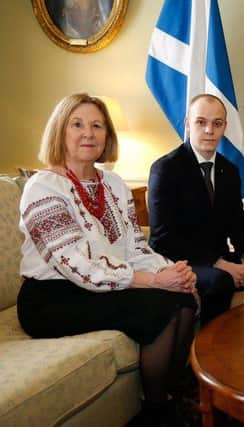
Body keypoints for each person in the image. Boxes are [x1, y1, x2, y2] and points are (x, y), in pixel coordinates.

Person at [17, 93, 197, 425]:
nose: (89, 133)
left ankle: (172, 393)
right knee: (162, 307)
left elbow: (134, 247)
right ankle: (157, 411)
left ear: (106, 136)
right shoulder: (43, 187)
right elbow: (77, 265)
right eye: (77, 124)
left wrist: (170, 271)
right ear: (60, 131)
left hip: (102, 285)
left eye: (97, 125)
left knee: (185, 299)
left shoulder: (113, 184)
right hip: (51, 297)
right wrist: (155, 282)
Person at [148, 94, 244, 324]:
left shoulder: (229, 170)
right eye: (201, 122)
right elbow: (162, 238)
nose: (209, 130)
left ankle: (240, 328)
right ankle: (207, 349)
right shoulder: (165, 169)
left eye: (217, 123)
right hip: (178, 261)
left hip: (219, 258)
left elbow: (239, 225)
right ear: (187, 123)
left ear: (225, 126)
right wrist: (221, 264)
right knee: (220, 280)